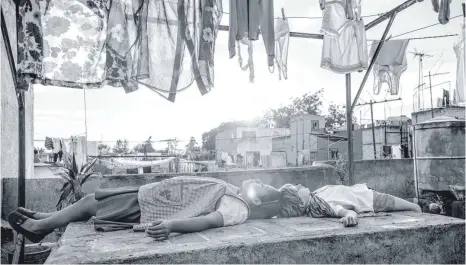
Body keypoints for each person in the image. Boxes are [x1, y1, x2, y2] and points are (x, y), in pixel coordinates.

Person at [8, 177, 282, 243]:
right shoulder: (233, 191)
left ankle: (40, 228)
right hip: (153, 196)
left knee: (93, 203)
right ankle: (48, 219)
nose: (258, 181)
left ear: (257, 201)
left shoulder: (238, 208)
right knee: (92, 200)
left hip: (153, 207)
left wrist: (172, 226)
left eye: (264, 187)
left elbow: (210, 221)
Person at [278, 183, 422, 227]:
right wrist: (350, 217)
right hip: (371, 200)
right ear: (301, 202)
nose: (299, 185)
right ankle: (420, 210)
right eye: (297, 189)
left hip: (363, 193)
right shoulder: (322, 205)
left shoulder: (314, 198)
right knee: (414, 207)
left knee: (411, 204)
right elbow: (345, 211)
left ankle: (420, 205)